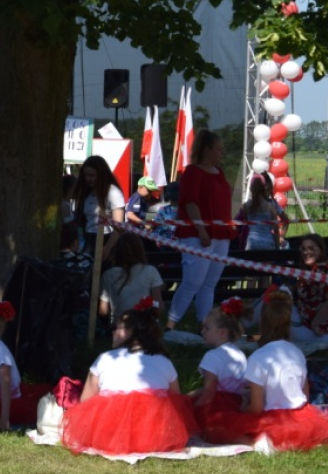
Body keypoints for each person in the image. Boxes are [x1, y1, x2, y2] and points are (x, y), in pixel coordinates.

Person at [200, 290, 328, 451]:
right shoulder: (297, 352)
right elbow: (305, 397)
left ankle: (258, 443)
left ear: (262, 323)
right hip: (301, 416)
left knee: (217, 430)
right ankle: (285, 441)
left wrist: (243, 407)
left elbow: (256, 408)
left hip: (273, 419)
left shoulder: (258, 357)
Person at [60, 303, 198, 457]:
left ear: (129, 332)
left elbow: (86, 400)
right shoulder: (164, 361)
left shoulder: (105, 358)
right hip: (154, 434)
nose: (113, 332)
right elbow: (176, 400)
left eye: (117, 327)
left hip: (108, 433)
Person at [167, 131, 235, 329]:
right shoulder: (192, 172)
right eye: (218, 149)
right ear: (207, 150)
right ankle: (170, 325)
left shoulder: (219, 172)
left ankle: (205, 326)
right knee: (192, 282)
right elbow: (190, 203)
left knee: (209, 283)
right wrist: (201, 230)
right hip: (196, 235)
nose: (222, 153)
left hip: (220, 234)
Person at [190, 298, 248, 432]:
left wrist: (190, 410)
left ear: (222, 333)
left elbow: (208, 393)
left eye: (207, 328)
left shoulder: (212, 356)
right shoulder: (240, 354)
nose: (202, 332)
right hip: (239, 407)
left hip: (219, 410)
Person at [98, 232, 163, 329]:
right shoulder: (151, 271)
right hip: (145, 327)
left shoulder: (108, 274)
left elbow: (103, 311)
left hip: (120, 327)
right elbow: (158, 305)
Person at [292, 234, 328, 342]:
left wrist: (315, 323)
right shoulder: (324, 267)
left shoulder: (321, 271)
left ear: (321, 250)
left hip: (319, 333)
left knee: (275, 303)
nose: (306, 252)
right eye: (303, 249)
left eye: (311, 248)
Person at [71, 155, 125, 255]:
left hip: (106, 240)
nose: (88, 179)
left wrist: (107, 248)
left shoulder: (113, 192)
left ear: (101, 174)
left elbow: (119, 227)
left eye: (92, 175)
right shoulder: (86, 192)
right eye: (86, 175)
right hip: (88, 240)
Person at [239, 173, 288, 251]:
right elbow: (276, 229)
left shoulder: (246, 206)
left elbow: (245, 227)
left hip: (251, 242)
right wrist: (277, 247)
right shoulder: (271, 207)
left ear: (251, 188)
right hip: (267, 242)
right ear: (264, 188)